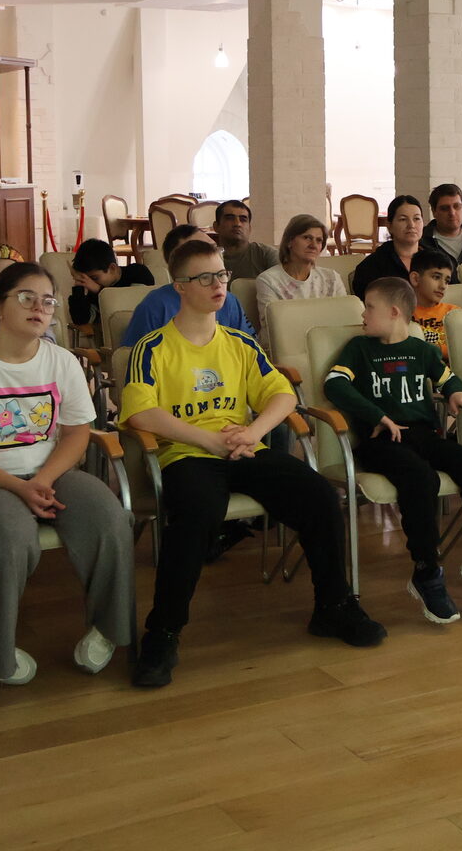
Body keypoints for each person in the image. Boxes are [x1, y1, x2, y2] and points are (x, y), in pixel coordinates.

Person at [121, 237, 385, 687]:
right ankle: (163, 632)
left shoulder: (240, 343)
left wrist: (253, 433)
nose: (218, 284)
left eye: (221, 274)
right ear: (180, 286)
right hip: (187, 453)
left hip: (244, 448)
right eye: (205, 277)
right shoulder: (154, 347)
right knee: (196, 514)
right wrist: (209, 440)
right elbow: (141, 413)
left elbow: (282, 395)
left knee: (319, 496)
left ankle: (333, 606)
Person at [0, 261, 134, 685]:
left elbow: (77, 433)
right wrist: (17, 487)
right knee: (10, 536)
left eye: (47, 301)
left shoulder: (62, 362)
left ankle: (107, 627)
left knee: (109, 518)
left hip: (51, 473)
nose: (39, 308)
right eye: (26, 298)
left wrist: (42, 480)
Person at [324, 277, 462, 623]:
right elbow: (334, 385)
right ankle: (426, 571)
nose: (363, 315)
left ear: (394, 312)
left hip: (424, 435)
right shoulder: (359, 348)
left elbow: (448, 378)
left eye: (369, 307)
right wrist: (377, 415)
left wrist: (455, 392)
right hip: (381, 440)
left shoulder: (423, 351)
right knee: (421, 479)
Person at [122, 224, 254, 346]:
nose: (211, 255)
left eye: (214, 248)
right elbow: (131, 354)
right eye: (198, 251)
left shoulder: (228, 300)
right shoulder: (155, 306)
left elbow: (250, 348)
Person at [254, 213, 346, 350]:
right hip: (285, 350)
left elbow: (344, 319)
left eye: (319, 240)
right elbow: (275, 327)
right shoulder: (268, 280)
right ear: (289, 242)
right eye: (307, 238)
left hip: (326, 347)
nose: (313, 245)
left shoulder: (332, 278)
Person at [350, 194, 448, 299]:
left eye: (416, 218)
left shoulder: (437, 259)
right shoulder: (371, 266)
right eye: (403, 219)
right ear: (389, 226)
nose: (411, 225)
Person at [69, 237, 155, 329]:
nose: (90, 283)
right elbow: (81, 320)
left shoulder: (138, 273)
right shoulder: (94, 289)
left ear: (112, 268)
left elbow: (130, 308)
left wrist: (100, 291)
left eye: (94, 278)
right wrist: (78, 288)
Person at [409, 250, 458, 363]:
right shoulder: (401, 313)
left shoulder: (454, 313)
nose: (443, 286)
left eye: (447, 281)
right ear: (415, 279)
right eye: (436, 277)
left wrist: (435, 350)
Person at [214, 199, 280, 280]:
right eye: (230, 218)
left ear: (249, 228)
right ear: (216, 226)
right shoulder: (205, 258)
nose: (237, 224)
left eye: (243, 219)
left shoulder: (266, 255)